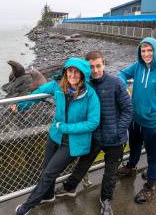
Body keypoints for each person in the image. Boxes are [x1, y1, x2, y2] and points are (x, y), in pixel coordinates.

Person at [13, 57, 101, 215]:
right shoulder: (58, 86)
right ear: (65, 72)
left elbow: (93, 123)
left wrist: (66, 127)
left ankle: (27, 206)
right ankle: (48, 195)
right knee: (46, 169)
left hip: (73, 142)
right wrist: (19, 105)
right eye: (70, 71)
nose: (73, 75)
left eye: (76, 72)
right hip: (55, 136)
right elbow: (39, 94)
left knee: (49, 173)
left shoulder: (90, 95)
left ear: (82, 75)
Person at [54, 51, 132, 215]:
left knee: (110, 173)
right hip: (94, 136)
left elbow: (128, 110)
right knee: (83, 164)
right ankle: (70, 187)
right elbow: (63, 85)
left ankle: (106, 200)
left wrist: (119, 130)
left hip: (115, 139)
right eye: (91, 67)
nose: (95, 70)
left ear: (104, 64)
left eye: (98, 65)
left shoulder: (116, 83)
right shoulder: (85, 84)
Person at [117, 37, 156, 204]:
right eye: (143, 50)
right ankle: (131, 167)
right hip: (135, 119)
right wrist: (122, 84)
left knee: (153, 157)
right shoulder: (138, 67)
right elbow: (121, 74)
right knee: (134, 147)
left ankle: (150, 186)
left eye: (150, 50)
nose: (146, 54)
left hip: (153, 125)